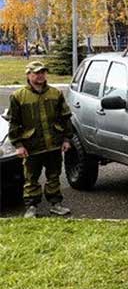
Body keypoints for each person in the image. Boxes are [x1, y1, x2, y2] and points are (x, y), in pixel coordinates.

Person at [8, 61, 73, 218]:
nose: (40, 75)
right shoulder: (18, 96)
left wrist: (66, 139)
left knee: (54, 176)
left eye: (43, 72)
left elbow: (65, 118)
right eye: (36, 73)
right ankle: (31, 207)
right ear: (28, 75)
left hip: (53, 145)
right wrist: (18, 144)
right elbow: (14, 122)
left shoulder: (55, 94)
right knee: (31, 179)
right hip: (31, 146)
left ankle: (55, 204)